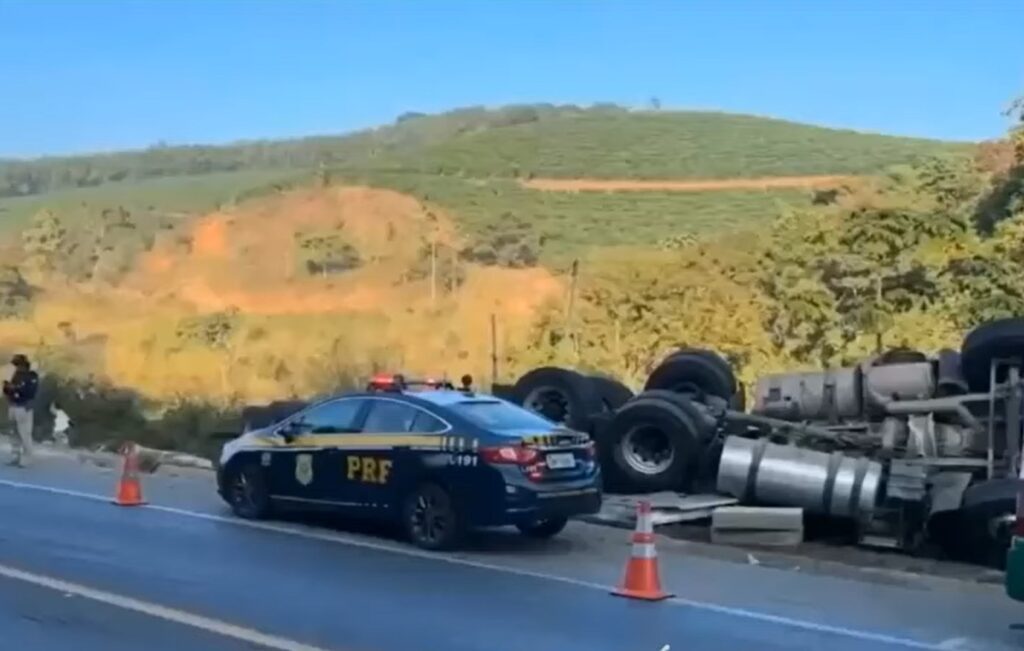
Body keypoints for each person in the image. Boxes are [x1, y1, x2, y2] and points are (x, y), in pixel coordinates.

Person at [3, 354, 39, 467]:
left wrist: (16, 389)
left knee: (24, 433)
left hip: (24, 407)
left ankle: (27, 458)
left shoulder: (31, 376)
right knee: (13, 433)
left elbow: (30, 392)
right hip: (13, 405)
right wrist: (7, 387)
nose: (17, 367)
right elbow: (8, 391)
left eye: (18, 365)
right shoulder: (16, 375)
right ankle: (15, 455)